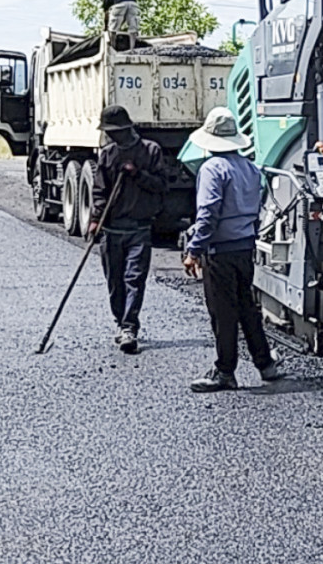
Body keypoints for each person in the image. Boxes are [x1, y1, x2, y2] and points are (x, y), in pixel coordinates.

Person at [183, 107, 286, 392]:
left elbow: (207, 214)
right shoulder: (250, 168)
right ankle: (265, 364)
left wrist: (194, 251)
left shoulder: (212, 169)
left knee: (222, 312)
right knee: (246, 308)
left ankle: (225, 370)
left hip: (220, 251)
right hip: (244, 247)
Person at [89, 104, 168, 353]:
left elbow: (162, 186)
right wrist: (95, 219)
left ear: (127, 129)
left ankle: (129, 326)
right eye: (109, 132)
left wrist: (137, 174)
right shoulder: (107, 155)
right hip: (111, 231)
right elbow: (99, 191)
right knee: (115, 281)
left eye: (116, 131)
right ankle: (120, 321)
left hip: (139, 228)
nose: (112, 136)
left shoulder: (150, 151)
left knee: (134, 278)